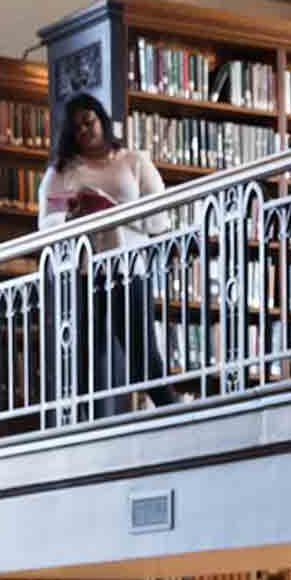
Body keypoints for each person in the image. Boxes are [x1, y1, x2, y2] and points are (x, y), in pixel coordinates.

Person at [38, 92, 175, 415]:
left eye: (89, 122)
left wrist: (114, 210)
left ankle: (176, 415)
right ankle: (91, 428)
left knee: (143, 354)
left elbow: (160, 219)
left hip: (127, 268)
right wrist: (71, 216)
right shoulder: (61, 171)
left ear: (101, 119)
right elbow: (45, 224)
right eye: (77, 129)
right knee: (87, 357)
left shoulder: (133, 161)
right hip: (82, 273)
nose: (85, 132)